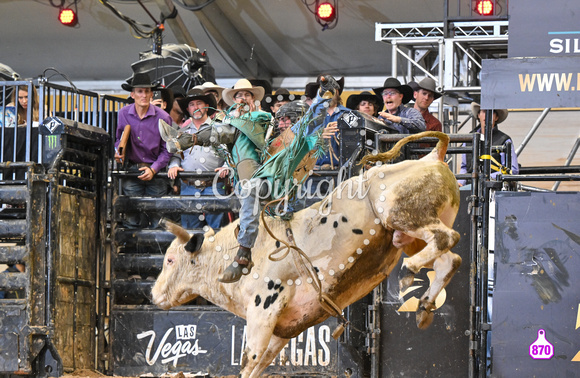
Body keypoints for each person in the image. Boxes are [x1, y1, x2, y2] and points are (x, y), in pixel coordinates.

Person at [114, 72, 173, 228]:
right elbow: (118, 139)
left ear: (152, 94)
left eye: (147, 91)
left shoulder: (164, 117)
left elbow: (168, 149)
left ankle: (156, 252)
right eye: (140, 91)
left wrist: (153, 169)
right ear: (133, 94)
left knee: (157, 218)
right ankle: (132, 252)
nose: (144, 95)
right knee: (132, 217)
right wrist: (117, 151)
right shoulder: (123, 114)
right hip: (133, 169)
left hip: (156, 171)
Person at [167, 88, 228, 229]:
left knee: (217, 231)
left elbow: (230, 153)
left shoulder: (220, 129)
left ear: (206, 106)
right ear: (188, 109)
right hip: (189, 185)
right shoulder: (182, 133)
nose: (196, 107)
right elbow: (176, 155)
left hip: (214, 185)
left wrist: (226, 166)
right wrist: (174, 165)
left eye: (199, 103)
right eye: (192, 104)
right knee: (190, 230)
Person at [458, 102, 519, 187]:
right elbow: (465, 167)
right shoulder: (469, 139)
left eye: (490, 112)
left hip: (494, 187)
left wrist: (488, 178)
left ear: (496, 117)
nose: (486, 115)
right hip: (471, 187)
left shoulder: (504, 140)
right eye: (483, 111)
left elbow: (513, 170)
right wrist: (460, 183)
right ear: (478, 115)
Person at [311, 76, 350, 170]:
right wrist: (318, 136)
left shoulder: (349, 115)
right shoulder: (309, 117)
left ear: (337, 91)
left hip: (340, 172)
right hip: (314, 172)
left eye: (331, 88)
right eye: (324, 89)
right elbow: (299, 143)